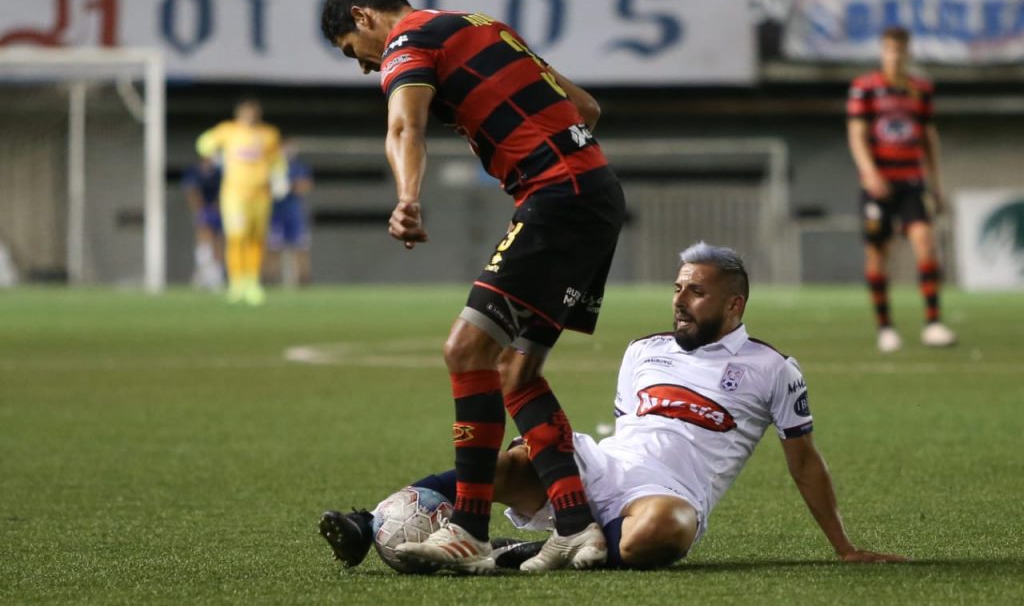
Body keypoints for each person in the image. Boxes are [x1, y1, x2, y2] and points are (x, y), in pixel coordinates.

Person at [319, 243, 907, 572]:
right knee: (502, 465)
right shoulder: (643, 350)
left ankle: (519, 551)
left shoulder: (773, 368)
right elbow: (628, 429)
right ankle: (368, 522)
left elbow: (804, 462)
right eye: (678, 287)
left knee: (665, 531)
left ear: (734, 305)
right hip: (601, 466)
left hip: (666, 495)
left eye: (696, 291)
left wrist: (845, 548)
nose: (680, 299)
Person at [320, 0, 626, 573]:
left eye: (355, 53)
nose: (365, 68)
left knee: (466, 351)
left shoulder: (408, 41)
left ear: (362, 17)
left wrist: (408, 198)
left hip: (556, 198)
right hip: (595, 195)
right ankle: (574, 527)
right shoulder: (480, 24)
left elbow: (404, 125)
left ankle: (467, 529)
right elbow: (586, 107)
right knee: (516, 371)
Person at [847, 26, 956, 353]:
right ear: (882, 52)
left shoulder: (920, 89)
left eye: (899, 51)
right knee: (878, 253)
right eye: (889, 50)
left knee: (926, 243)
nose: (894, 56)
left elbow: (928, 138)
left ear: (908, 53)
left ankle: (933, 323)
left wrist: (936, 183)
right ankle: (885, 328)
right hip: (878, 185)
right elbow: (857, 134)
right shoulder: (865, 88)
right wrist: (870, 173)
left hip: (911, 182)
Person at [196, 98, 284, 306]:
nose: (249, 116)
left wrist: (280, 178)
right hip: (234, 194)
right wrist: (211, 150)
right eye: (246, 112)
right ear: (239, 114)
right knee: (236, 237)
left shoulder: (269, 134)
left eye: (253, 112)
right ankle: (236, 282)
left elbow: (277, 159)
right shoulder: (228, 131)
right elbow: (203, 144)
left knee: (256, 238)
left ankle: (251, 281)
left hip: (261, 193)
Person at [265, 140, 314, 287]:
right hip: (276, 214)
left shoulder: (298, 166)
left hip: (294, 213)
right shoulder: (271, 165)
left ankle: (304, 280)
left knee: (301, 247)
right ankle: (269, 280)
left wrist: (288, 186)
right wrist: (274, 188)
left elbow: (306, 185)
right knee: (273, 248)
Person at [181, 157, 225, 291]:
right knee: (204, 240)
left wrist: (217, 207)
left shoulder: (219, 172)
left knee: (218, 241)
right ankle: (204, 273)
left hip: (217, 209)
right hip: (203, 209)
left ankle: (216, 276)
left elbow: (223, 191)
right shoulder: (194, 172)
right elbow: (191, 193)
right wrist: (199, 210)